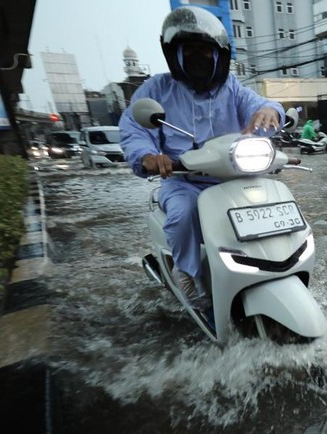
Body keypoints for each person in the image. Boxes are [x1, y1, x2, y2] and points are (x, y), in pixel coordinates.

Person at [119, 6, 283, 326]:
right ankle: (189, 277)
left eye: (205, 49)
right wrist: (148, 157)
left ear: (218, 55)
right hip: (184, 180)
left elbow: (259, 105)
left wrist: (270, 111)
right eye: (190, 49)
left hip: (235, 178)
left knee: (275, 201)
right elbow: (135, 130)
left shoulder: (231, 88)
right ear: (175, 54)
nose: (199, 55)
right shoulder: (157, 89)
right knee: (182, 213)